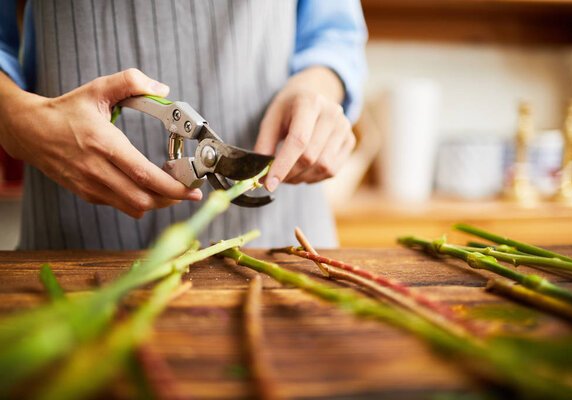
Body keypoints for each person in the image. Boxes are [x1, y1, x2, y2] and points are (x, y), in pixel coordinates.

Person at [0, 0, 367, 249]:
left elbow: (334, 32)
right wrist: (17, 120)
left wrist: (318, 85)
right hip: (74, 240)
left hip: (280, 234)